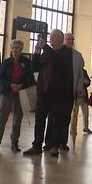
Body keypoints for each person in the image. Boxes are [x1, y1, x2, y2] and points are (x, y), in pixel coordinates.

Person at [24, 29, 77, 158]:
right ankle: (37, 145)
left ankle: (54, 145)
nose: (51, 39)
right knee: (39, 119)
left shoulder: (66, 53)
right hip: (43, 91)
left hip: (59, 94)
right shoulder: (47, 53)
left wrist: (46, 48)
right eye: (50, 37)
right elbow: (36, 67)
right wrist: (36, 53)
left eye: (54, 37)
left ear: (60, 38)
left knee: (57, 120)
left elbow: (59, 62)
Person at [0, 39, 34, 153]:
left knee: (17, 118)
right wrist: (10, 84)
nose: (15, 50)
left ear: (21, 49)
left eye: (17, 48)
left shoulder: (27, 61)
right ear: (10, 49)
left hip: (21, 92)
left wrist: (21, 85)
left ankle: (14, 141)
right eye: (13, 48)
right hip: (7, 91)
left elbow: (30, 76)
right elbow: (1, 77)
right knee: (2, 117)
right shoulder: (6, 62)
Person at [66, 33, 92, 135]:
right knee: (72, 113)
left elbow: (84, 79)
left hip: (80, 93)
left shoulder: (77, 56)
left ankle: (84, 127)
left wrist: (81, 86)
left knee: (82, 112)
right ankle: (72, 129)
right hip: (66, 92)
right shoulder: (57, 54)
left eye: (71, 39)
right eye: (67, 39)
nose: (69, 41)